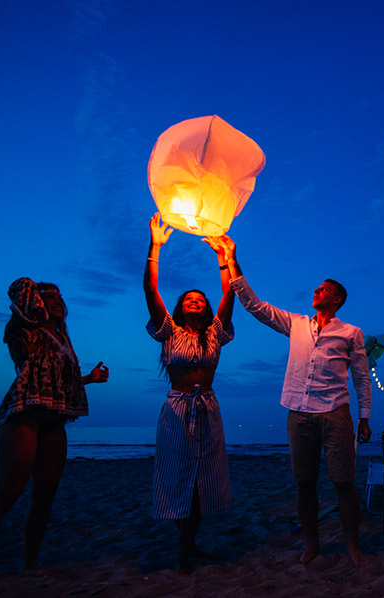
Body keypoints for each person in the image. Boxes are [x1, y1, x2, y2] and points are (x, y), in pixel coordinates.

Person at [0, 278, 108, 594]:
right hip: (23, 414)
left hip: (53, 421)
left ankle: (30, 563)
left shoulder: (63, 337)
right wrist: (35, 292)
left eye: (59, 297)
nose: (55, 300)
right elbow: (20, 290)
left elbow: (56, 378)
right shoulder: (25, 329)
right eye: (47, 297)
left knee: (44, 497)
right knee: (8, 493)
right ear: (35, 302)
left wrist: (88, 378)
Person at [223, 235, 372, 567]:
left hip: (335, 413)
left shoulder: (351, 333)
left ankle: (352, 545)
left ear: (337, 298)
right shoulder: (296, 324)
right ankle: (312, 545)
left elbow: (361, 376)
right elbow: (254, 305)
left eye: (323, 289)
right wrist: (231, 259)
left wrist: (365, 417)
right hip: (298, 413)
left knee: (343, 482)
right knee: (305, 483)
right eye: (316, 289)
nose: (316, 292)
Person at [144, 213, 235, 573]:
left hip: (208, 407)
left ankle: (190, 544)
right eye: (188, 299)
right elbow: (151, 290)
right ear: (180, 306)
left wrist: (222, 257)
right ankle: (183, 548)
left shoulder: (215, 333)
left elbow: (229, 292)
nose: (195, 300)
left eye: (200, 298)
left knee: (204, 479)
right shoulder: (169, 331)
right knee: (178, 475)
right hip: (177, 409)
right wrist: (155, 246)